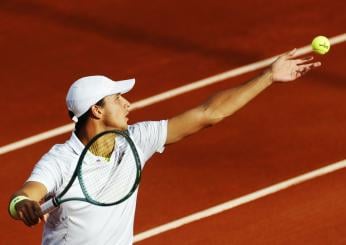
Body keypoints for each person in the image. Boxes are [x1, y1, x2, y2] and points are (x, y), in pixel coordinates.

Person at [8, 49, 321, 244]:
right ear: (97, 110)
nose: (128, 103)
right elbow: (27, 193)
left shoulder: (135, 142)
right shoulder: (61, 160)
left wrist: (268, 76)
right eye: (118, 99)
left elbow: (209, 114)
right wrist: (23, 204)